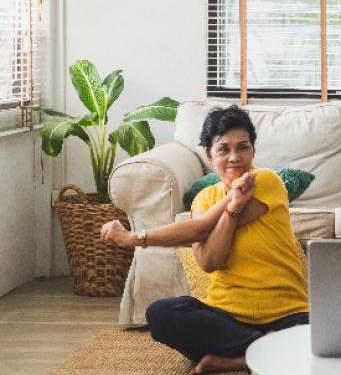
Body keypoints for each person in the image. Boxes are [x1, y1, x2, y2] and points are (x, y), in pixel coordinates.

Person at [100, 105, 308, 374]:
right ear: (208, 155)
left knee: (329, 338)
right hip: (227, 319)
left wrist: (132, 238)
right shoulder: (204, 199)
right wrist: (232, 208)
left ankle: (240, 359)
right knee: (161, 314)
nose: (235, 157)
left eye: (243, 147)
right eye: (224, 149)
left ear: (253, 151)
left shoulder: (267, 181)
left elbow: (200, 229)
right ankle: (265, 350)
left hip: (287, 314)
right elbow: (210, 261)